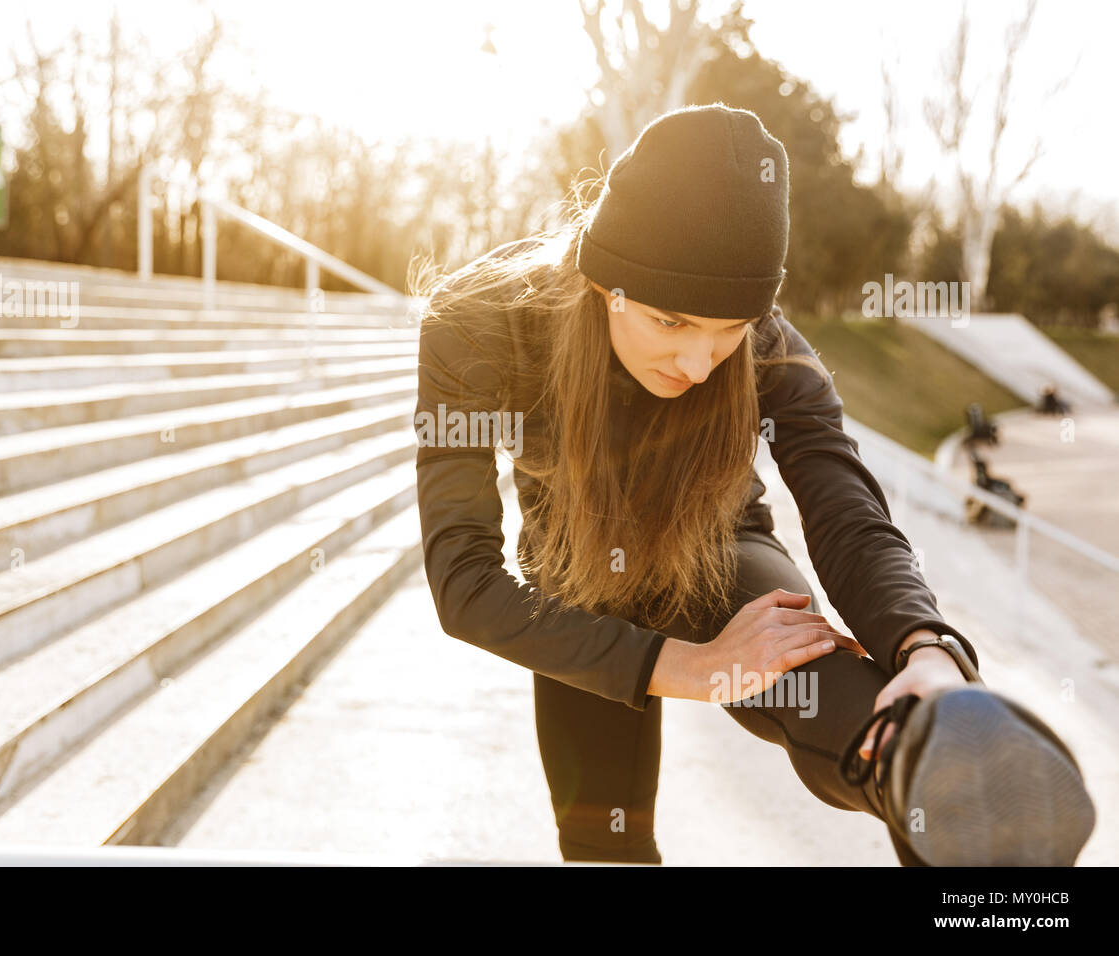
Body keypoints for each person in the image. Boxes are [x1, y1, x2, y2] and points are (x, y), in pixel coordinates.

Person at [410, 104, 1096, 866]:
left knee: (878, 727)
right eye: (671, 323)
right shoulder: (479, 323)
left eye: (728, 329)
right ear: (606, 284)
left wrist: (924, 650)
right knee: (605, 843)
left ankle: (947, 802)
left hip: (719, 548)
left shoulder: (770, 346)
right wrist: (688, 667)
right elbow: (463, 581)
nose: (701, 364)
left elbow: (847, 513)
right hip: (574, 579)